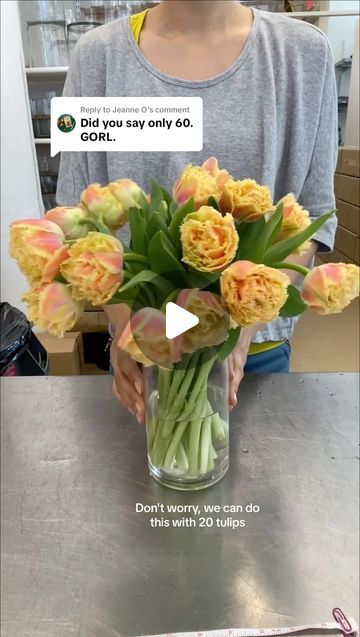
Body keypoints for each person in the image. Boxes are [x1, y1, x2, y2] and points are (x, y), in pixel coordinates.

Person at [56, 0, 338, 424]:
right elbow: (76, 214)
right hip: (144, 351)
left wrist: (241, 333)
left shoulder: (303, 53)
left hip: (253, 358)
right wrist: (126, 327)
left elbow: (314, 214)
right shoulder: (99, 56)